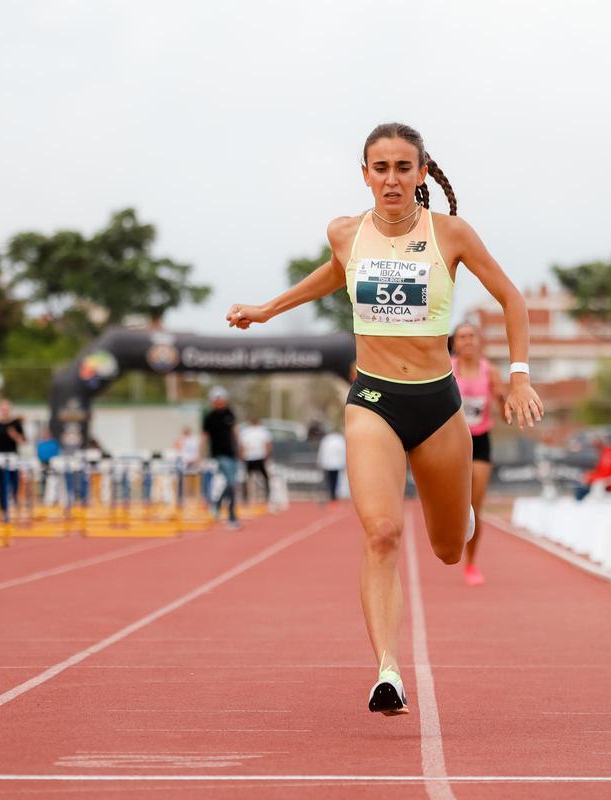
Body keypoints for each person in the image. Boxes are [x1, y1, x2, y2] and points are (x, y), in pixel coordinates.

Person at [225, 122, 542, 716]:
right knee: (381, 532)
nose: (391, 178)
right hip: (373, 400)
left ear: (421, 173)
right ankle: (387, 672)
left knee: (449, 547)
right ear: (364, 175)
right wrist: (269, 309)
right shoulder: (346, 233)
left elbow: (512, 299)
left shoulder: (450, 233)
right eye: (381, 168)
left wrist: (519, 374)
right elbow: (334, 273)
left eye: (403, 167)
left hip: (437, 403)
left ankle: (460, 518)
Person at [450, 321, 502, 587]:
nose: (468, 340)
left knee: (475, 506)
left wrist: (506, 399)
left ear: (479, 341)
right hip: (452, 442)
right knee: (451, 506)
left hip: (480, 440)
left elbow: (504, 408)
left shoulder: (490, 371)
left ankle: (471, 563)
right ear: (455, 343)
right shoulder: (446, 369)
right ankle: (449, 544)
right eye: (462, 337)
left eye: (472, 336)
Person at [202, 386, 240, 529]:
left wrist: (240, 449)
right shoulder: (209, 417)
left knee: (231, 484)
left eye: (221, 399)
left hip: (232, 454)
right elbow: (204, 438)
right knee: (231, 483)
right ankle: (231, 516)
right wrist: (201, 456)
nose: (219, 402)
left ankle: (217, 504)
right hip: (219, 455)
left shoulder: (230, 414)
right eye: (216, 399)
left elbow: (235, 433)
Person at [0, 399, 25, 517]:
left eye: (7, 409)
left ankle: (16, 506)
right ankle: (4, 509)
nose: (5, 412)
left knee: (14, 484)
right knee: (1, 485)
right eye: (3, 409)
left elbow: (23, 441)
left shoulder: (15, 425)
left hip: (13, 458)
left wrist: (14, 435)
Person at [574, 434, 611, 501]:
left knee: (582, 489)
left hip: (610, 485)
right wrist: (589, 476)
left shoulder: (610, 455)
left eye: (595, 445)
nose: (594, 448)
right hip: (605, 482)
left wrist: (591, 478)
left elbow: (608, 473)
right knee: (580, 484)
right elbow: (601, 471)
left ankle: (579, 505)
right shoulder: (605, 454)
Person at [238, 416, 273, 506]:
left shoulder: (245, 432)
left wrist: (242, 457)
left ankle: (245, 498)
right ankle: (267, 496)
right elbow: (267, 445)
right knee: (265, 478)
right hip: (260, 457)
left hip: (248, 457)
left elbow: (242, 446)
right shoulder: (263, 431)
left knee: (246, 478)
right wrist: (267, 456)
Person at [317, 427, 347, 503]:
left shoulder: (327, 439)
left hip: (329, 463)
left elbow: (322, 451)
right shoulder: (340, 439)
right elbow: (343, 452)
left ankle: (332, 494)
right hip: (335, 464)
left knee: (331, 480)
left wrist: (320, 462)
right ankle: (333, 494)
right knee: (335, 480)